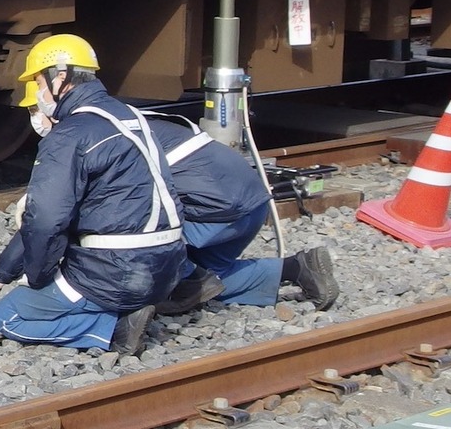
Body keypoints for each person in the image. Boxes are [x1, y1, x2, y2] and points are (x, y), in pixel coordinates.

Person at [0, 35, 189, 354]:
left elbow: (46, 222)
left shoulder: (70, 134)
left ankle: (113, 329)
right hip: (170, 264)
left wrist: (37, 279)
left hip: (122, 272)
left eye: (38, 82)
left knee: (12, 316)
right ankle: (125, 306)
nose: (36, 94)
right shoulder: (130, 116)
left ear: (60, 76)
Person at [139, 112, 339, 313]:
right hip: (253, 201)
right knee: (211, 280)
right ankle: (295, 268)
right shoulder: (133, 119)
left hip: (214, 213)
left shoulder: (113, 136)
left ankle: (187, 278)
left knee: (126, 238)